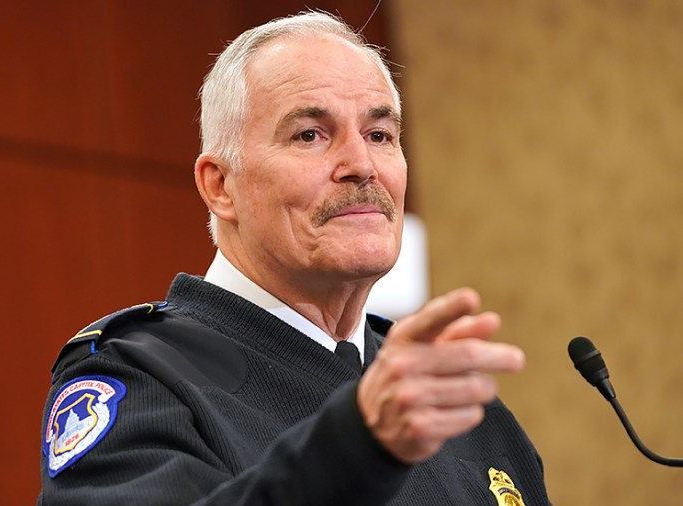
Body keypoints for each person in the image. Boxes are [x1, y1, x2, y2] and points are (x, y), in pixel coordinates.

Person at [39, 11, 550, 505]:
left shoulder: (447, 396)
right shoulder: (138, 377)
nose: (362, 166)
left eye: (380, 136)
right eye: (310, 135)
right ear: (220, 187)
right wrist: (360, 443)